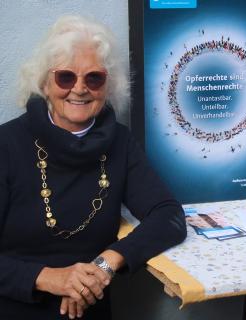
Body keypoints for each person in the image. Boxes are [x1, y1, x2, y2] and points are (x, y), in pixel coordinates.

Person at [0, 15, 187, 319]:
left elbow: (169, 216)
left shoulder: (119, 143)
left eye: (94, 78)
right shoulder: (6, 144)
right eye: (65, 77)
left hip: (90, 307)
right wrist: (52, 278)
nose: (80, 88)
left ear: (107, 86)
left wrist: (105, 264)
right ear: (45, 83)